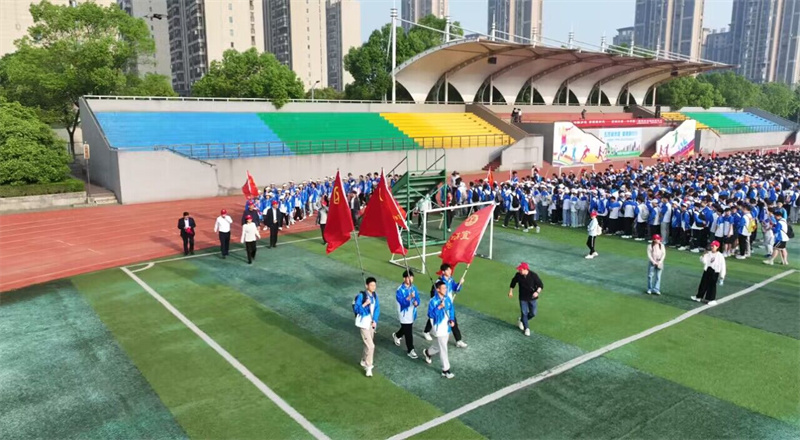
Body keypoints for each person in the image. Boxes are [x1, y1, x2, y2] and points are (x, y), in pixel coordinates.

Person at [423, 264, 467, 348]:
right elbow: (434, 294)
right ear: (443, 272)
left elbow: (456, 289)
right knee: (434, 317)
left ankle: (458, 340)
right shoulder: (438, 282)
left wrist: (460, 283)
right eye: (448, 270)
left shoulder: (451, 279)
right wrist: (439, 302)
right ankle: (426, 331)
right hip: (440, 303)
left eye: (450, 270)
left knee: (452, 319)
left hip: (448, 304)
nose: (450, 271)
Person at [422, 280, 456, 379]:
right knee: (443, 348)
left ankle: (428, 353)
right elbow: (431, 315)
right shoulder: (433, 301)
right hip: (439, 328)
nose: (446, 289)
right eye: (444, 288)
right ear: (438, 289)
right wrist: (440, 307)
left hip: (447, 327)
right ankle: (445, 370)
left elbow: (451, 309)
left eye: (446, 288)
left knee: (439, 346)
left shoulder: (447, 299)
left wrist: (452, 319)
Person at [507, 262, 544, 336]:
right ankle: (526, 328)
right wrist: (510, 291)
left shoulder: (533, 276)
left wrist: (537, 292)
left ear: (525, 269)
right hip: (523, 297)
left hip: (532, 297)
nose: (519, 271)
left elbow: (540, 285)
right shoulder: (518, 275)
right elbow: (513, 282)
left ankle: (521, 320)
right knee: (524, 313)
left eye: (520, 270)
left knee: (533, 313)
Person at [354, 277, 380, 378]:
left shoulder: (375, 296)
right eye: (371, 285)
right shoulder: (361, 296)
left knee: (368, 345)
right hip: (363, 324)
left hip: (371, 324)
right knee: (371, 346)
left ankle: (363, 360)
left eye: (374, 285)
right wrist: (365, 304)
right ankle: (369, 367)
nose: (373, 287)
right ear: (366, 286)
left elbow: (377, 309)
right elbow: (356, 309)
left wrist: (375, 321)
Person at [393, 270, 420, 359]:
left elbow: (417, 298)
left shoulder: (414, 288)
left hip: (412, 312)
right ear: (404, 278)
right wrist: (410, 297)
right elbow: (402, 303)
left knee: (406, 328)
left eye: (411, 278)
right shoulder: (400, 290)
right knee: (408, 331)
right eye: (408, 278)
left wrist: (416, 302)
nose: (410, 279)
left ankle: (397, 335)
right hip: (404, 313)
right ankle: (410, 349)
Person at [691, 240, 726, 306]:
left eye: (713, 246)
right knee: (703, 284)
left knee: (712, 286)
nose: (712, 247)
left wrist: (722, 276)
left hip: (715, 272)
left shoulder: (720, 256)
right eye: (711, 245)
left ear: (717, 247)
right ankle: (699, 296)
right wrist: (703, 255)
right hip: (707, 270)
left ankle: (711, 299)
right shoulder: (708, 253)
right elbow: (703, 261)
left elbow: (723, 266)